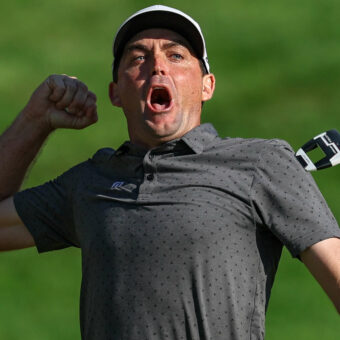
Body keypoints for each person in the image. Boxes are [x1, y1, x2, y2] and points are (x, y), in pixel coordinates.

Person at [0, 4, 339, 340]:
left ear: (207, 86)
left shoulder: (261, 163)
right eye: (137, 58)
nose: (157, 66)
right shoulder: (89, 181)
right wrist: (34, 121)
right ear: (116, 93)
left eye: (176, 56)